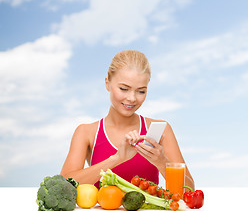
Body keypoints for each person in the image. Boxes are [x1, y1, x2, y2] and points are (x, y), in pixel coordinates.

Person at [60, 50, 195, 190]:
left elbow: (189, 190)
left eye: (141, 91)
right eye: (124, 89)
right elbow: (63, 186)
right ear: (107, 83)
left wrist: (162, 162)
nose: (132, 98)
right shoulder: (86, 132)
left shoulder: (161, 129)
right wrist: (117, 159)